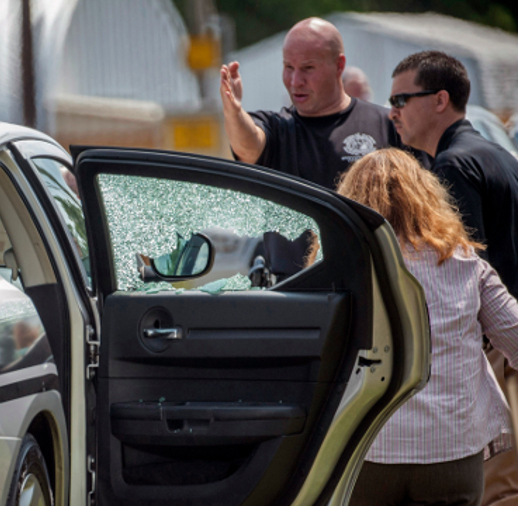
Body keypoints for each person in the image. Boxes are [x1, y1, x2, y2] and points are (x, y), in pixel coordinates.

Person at [336, 148, 518, 506]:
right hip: (451, 451)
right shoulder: (466, 265)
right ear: (428, 196)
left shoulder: (343, 269)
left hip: (367, 449)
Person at [388, 51, 518, 505]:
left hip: (491, 348)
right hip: (509, 337)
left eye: (403, 98)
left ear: (441, 99)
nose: (393, 111)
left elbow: (456, 274)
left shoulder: (451, 167)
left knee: (496, 490)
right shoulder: (494, 151)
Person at [219, 17, 410, 189]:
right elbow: (248, 146)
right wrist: (233, 111)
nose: (295, 81)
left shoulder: (387, 123)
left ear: (339, 65)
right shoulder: (277, 128)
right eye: (288, 67)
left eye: (308, 68)